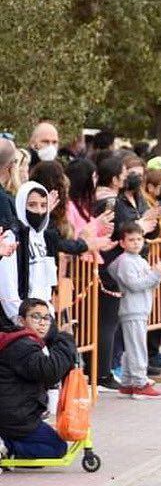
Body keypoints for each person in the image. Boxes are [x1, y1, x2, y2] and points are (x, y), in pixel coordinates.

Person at [0, 297, 76, 460]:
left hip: (17, 413)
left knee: (40, 456)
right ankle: (6, 446)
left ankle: (7, 446)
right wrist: (66, 339)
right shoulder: (22, 345)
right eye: (35, 317)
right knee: (56, 449)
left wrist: (59, 336)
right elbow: (50, 371)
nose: (42, 323)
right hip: (15, 417)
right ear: (21, 321)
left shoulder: (23, 340)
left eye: (46, 318)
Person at [107, 222, 161, 399]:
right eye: (131, 240)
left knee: (134, 345)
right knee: (137, 346)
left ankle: (127, 383)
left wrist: (157, 273)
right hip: (132, 309)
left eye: (139, 239)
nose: (136, 243)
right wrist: (155, 273)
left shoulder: (139, 260)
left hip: (140, 308)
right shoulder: (125, 262)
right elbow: (135, 285)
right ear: (122, 243)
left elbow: (149, 282)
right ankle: (139, 383)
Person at [0, 182, 58, 324]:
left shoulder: (45, 237)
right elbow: (8, 291)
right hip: (21, 320)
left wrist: (48, 317)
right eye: (32, 205)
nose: (39, 211)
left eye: (43, 205)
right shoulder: (12, 237)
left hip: (44, 318)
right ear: (21, 205)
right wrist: (22, 321)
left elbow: (48, 284)